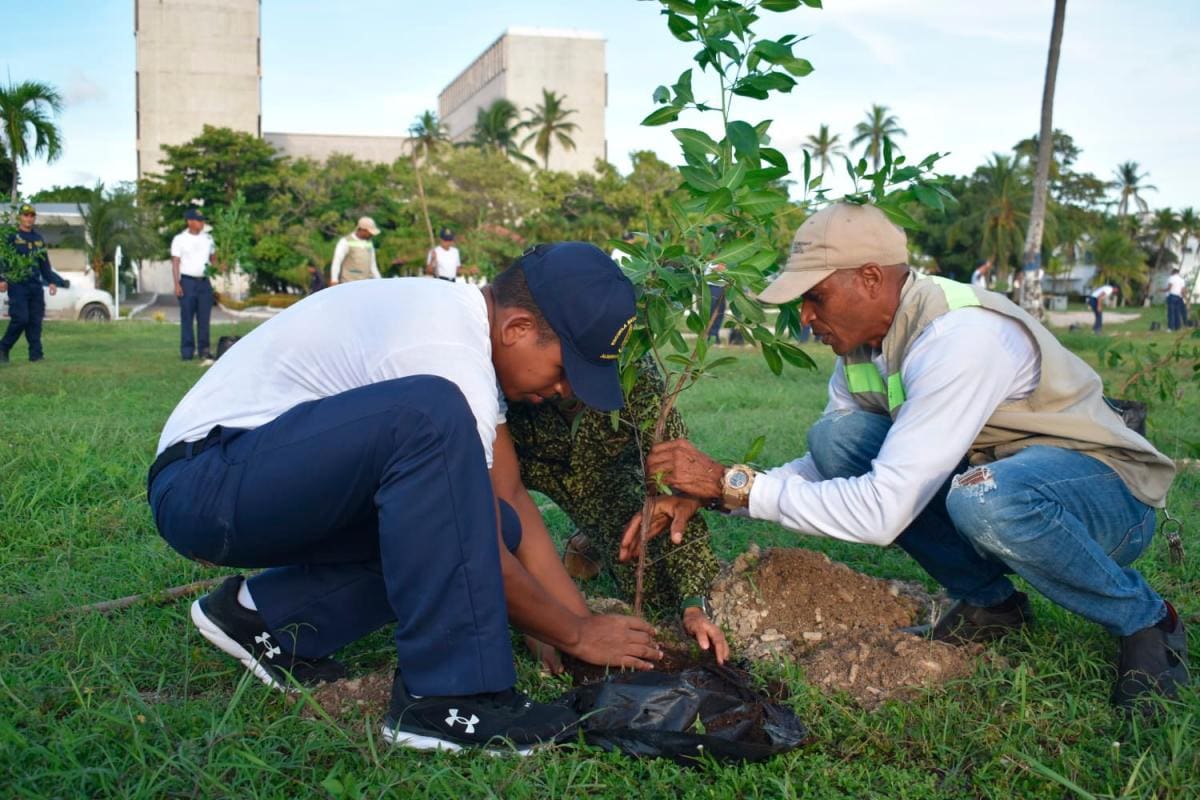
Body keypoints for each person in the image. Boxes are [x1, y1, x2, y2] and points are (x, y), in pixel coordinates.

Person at [623, 203, 1186, 713]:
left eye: (815, 297)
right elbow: (826, 467)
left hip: (1104, 494)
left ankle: (1145, 621)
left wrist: (731, 482)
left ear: (870, 278)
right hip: (1003, 481)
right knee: (837, 439)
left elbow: (879, 512)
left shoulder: (957, 336)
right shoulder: (866, 348)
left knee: (983, 496)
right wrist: (721, 492)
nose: (806, 319)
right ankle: (992, 606)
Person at [148, 242, 661, 753]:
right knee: (431, 416)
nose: (565, 391)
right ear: (518, 329)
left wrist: (579, 624)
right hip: (206, 483)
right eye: (563, 370)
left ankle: (263, 618)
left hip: (248, 480)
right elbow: (469, 546)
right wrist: (573, 632)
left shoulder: (464, 334)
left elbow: (508, 499)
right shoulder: (446, 354)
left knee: (494, 520)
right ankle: (447, 699)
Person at [506, 357, 728, 667]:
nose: (562, 387)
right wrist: (537, 618)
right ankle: (589, 540)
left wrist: (693, 605)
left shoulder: (635, 378)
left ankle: (591, 541)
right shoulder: (495, 391)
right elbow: (489, 507)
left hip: (608, 481)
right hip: (529, 468)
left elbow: (675, 498)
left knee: (656, 594)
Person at [0, 203, 70, 363]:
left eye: (32, 215)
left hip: (35, 285)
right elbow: (2, 260)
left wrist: (51, 281)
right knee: (21, 318)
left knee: (35, 320)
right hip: (17, 284)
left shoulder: (38, 239)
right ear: (20, 217)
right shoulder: (11, 237)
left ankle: (36, 355)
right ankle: (3, 347)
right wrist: (1, 279)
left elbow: (44, 263)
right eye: (26, 215)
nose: (29, 218)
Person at [171, 208, 216, 361]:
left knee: (204, 318)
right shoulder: (180, 239)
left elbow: (213, 258)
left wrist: (220, 265)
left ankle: (204, 350)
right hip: (187, 282)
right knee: (187, 318)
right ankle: (187, 352)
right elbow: (175, 263)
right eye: (199, 220)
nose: (202, 223)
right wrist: (177, 284)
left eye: (203, 220)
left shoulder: (208, 239)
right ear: (190, 222)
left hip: (204, 282)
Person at [330, 217, 381, 284]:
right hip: (349, 283)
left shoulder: (369, 244)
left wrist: (380, 281)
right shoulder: (345, 242)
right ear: (362, 230)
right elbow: (337, 261)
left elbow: (373, 266)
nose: (372, 235)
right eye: (369, 232)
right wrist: (334, 280)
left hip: (366, 284)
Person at [705, 263, 727, 343]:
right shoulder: (710, 262)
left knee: (720, 312)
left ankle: (715, 334)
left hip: (722, 287)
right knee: (712, 311)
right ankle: (711, 334)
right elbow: (718, 268)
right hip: (712, 288)